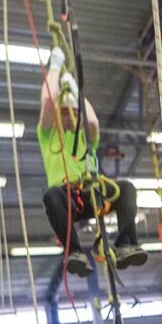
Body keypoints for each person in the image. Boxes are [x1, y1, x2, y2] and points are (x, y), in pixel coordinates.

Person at [38, 47, 146, 277]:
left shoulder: (84, 138)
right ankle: (74, 252)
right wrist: (55, 67)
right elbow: (48, 99)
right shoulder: (49, 137)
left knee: (126, 188)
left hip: (89, 193)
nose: (69, 116)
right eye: (64, 112)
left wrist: (76, 89)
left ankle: (126, 243)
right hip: (67, 199)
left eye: (73, 112)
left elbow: (93, 122)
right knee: (51, 195)